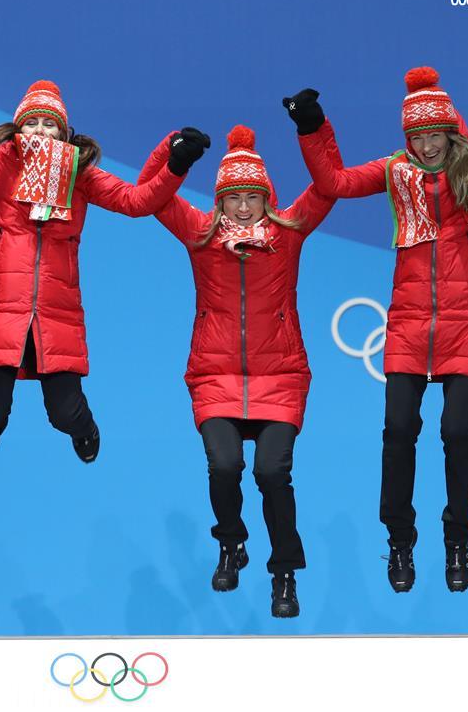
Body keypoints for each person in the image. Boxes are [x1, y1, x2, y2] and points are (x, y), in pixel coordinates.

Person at [289, 44, 468, 592]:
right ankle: (400, 543)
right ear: (407, 138)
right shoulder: (395, 173)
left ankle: (457, 539)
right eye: (417, 137)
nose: (426, 146)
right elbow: (334, 182)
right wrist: (314, 128)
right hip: (409, 324)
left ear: (452, 132)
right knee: (399, 430)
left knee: (458, 431)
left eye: (435, 135)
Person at [0, 15, 208, 464]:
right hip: (2, 307)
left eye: (50, 125)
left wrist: (176, 162)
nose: (40, 131)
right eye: (32, 123)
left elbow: (139, 201)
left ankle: (84, 429)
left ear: (64, 134)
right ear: (18, 128)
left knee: (64, 413)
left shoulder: (79, 175)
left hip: (55, 314)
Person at [136, 122, 342, 617]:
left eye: (253, 196)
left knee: (273, 474)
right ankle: (232, 543)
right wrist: (171, 148)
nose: (244, 206)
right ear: (220, 201)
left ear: (267, 196)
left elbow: (329, 185)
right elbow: (148, 195)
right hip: (215, 375)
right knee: (225, 466)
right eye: (234, 197)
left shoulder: (289, 233)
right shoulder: (200, 234)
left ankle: (285, 574)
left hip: (280, 376)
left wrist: (314, 128)